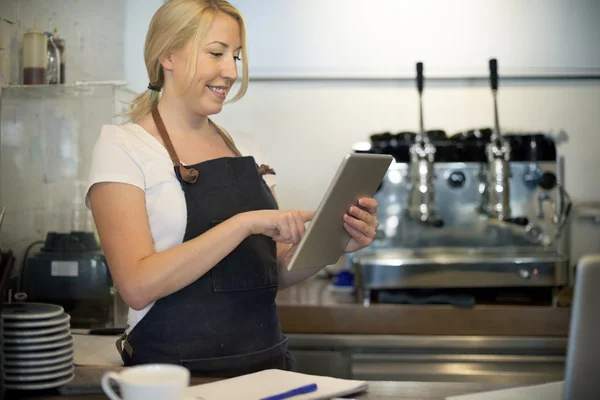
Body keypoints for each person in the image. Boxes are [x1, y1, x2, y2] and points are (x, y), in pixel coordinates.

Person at [86, 0, 379, 378]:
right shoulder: (123, 146)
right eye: (215, 53)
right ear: (167, 55)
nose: (230, 71)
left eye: (236, 57)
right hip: (173, 378)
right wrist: (243, 223)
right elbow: (137, 285)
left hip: (266, 371)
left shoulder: (246, 148)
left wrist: (335, 243)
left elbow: (273, 271)